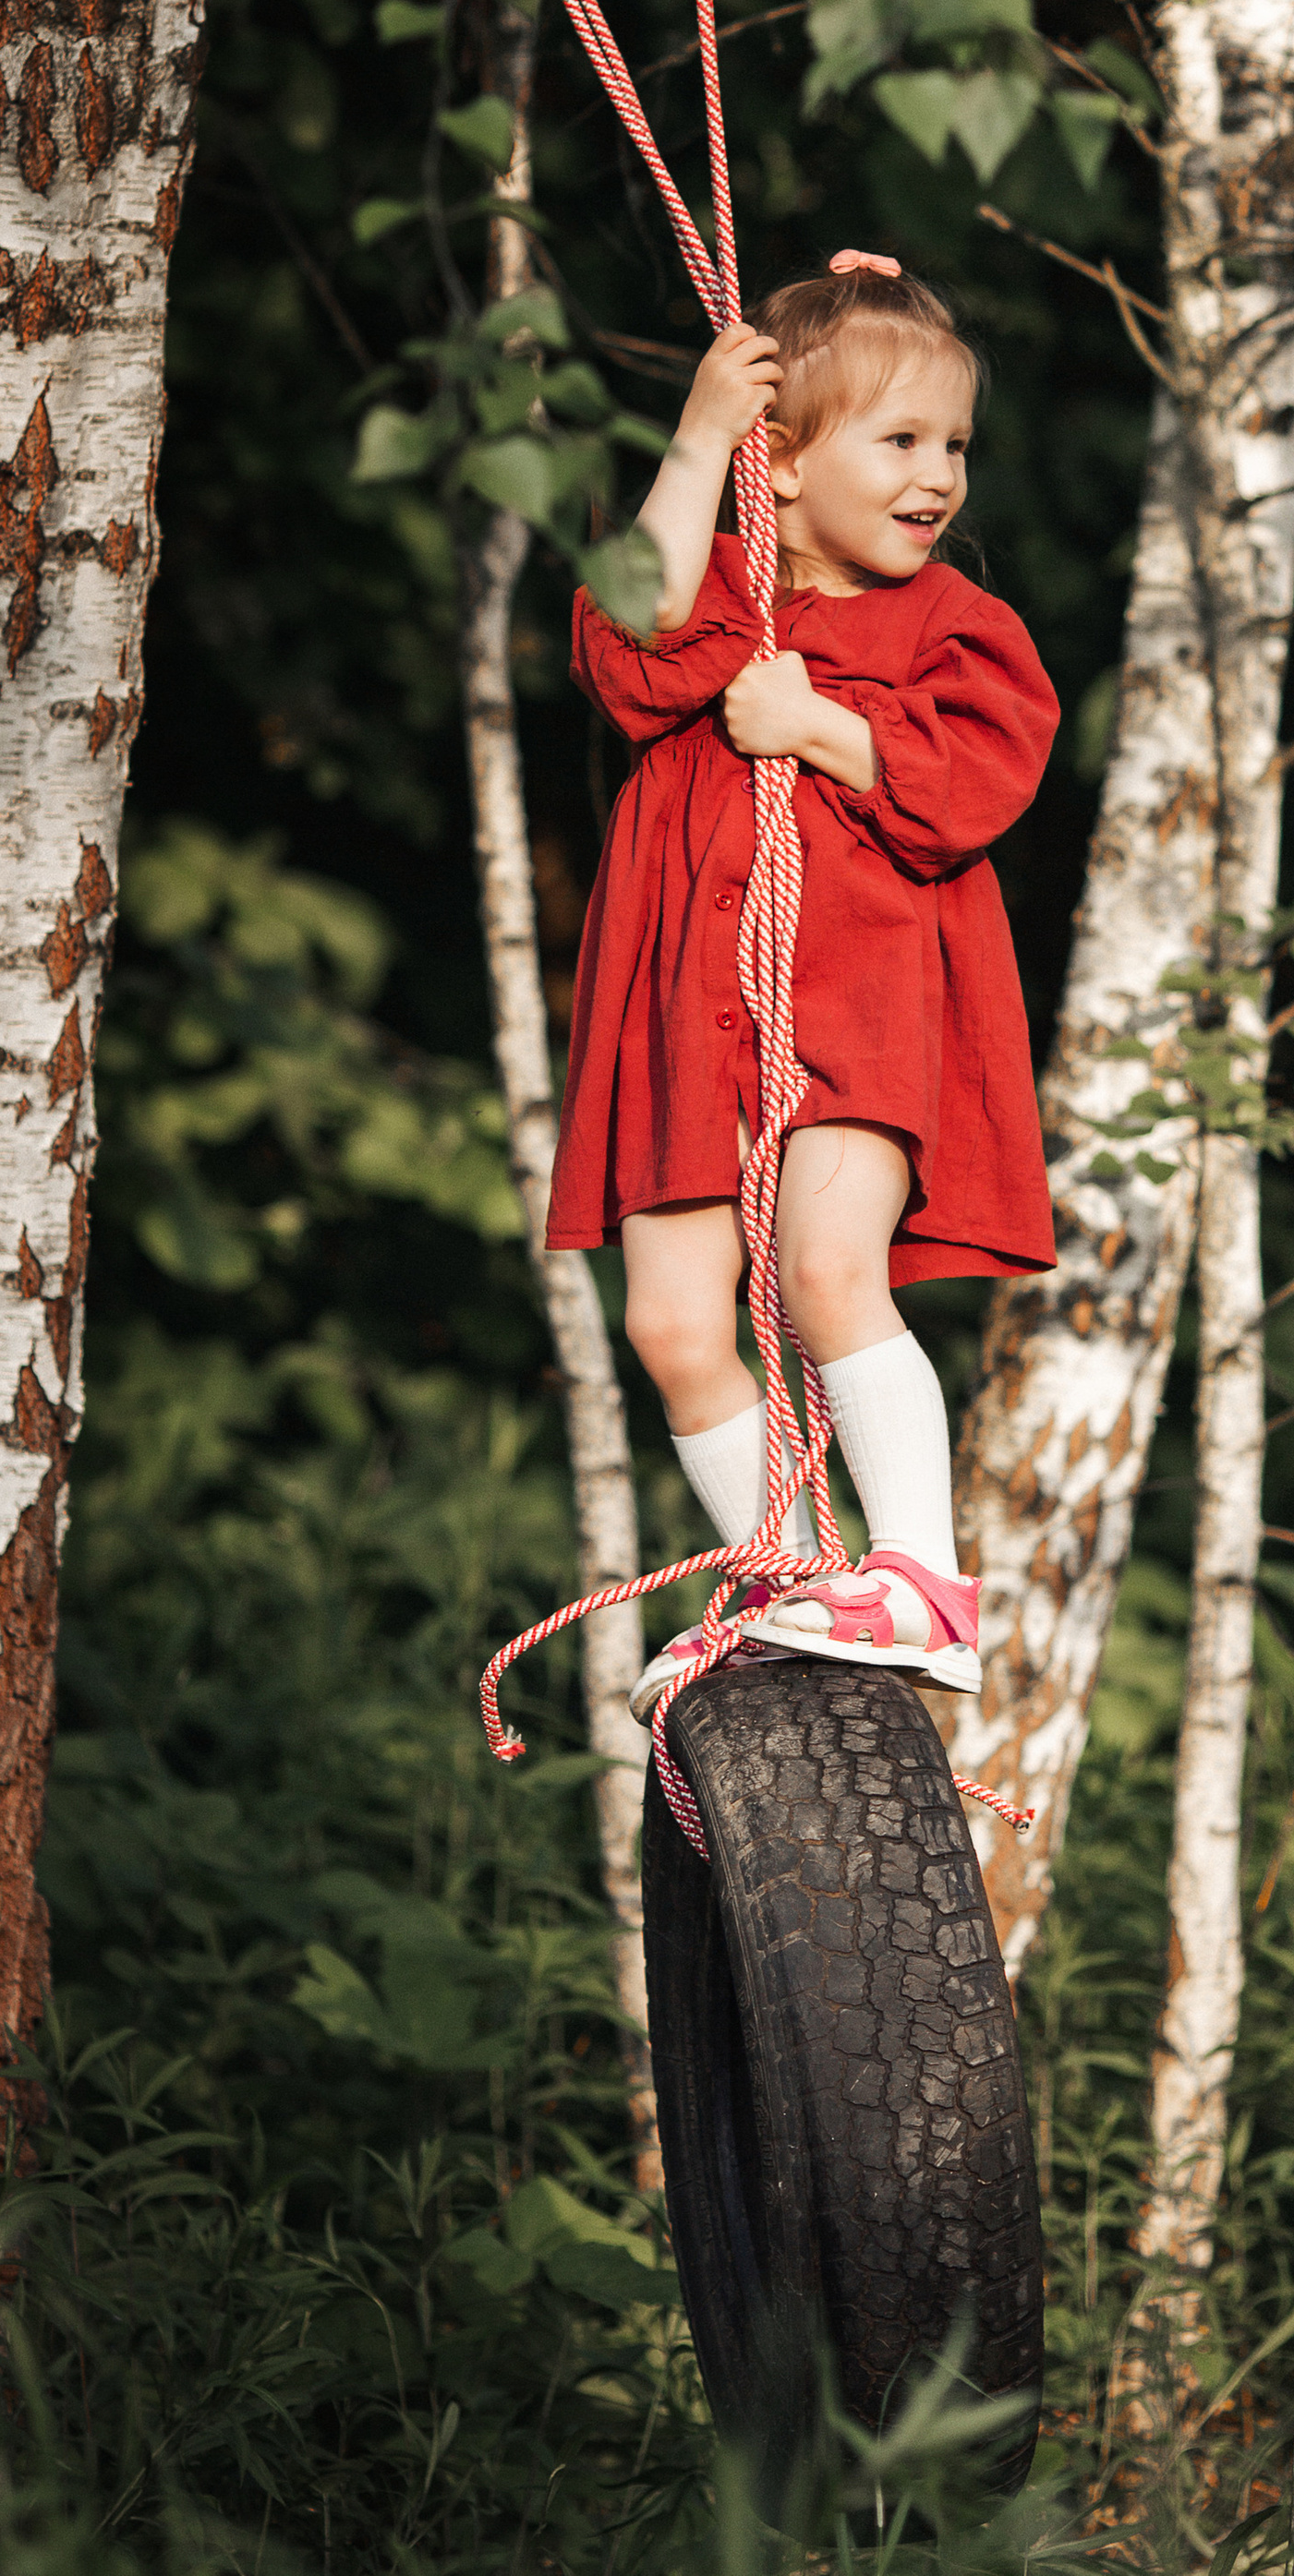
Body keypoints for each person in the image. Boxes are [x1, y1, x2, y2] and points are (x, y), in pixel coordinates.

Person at [544, 251, 1059, 1715]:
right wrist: (702, 434)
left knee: (834, 1271)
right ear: (782, 463)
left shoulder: (950, 623)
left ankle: (921, 1581)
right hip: (693, 1030)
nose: (938, 475)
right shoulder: (719, 607)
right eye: (899, 442)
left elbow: (983, 778)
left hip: (857, 1015)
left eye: (953, 444)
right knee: (673, 1326)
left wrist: (824, 729)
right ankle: (785, 1578)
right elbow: (625, 645)